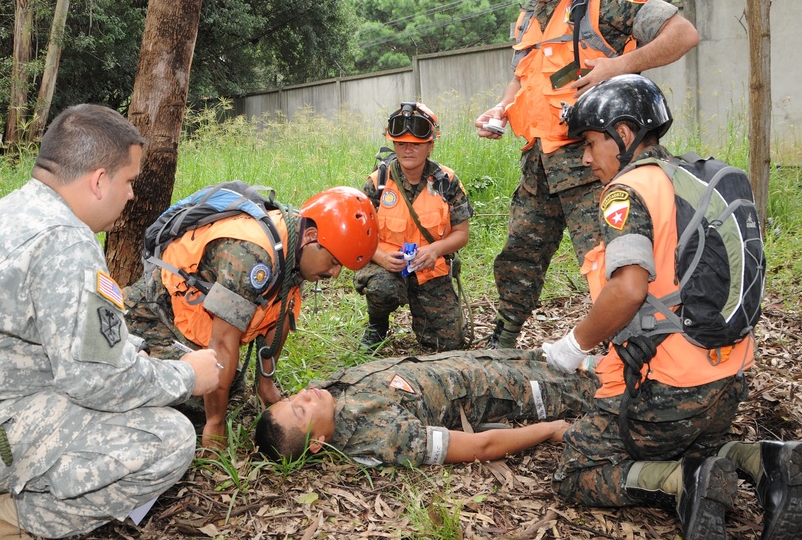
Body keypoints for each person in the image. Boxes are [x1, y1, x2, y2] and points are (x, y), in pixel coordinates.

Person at [0, 104, 222, 540]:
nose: (132, 195)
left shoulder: (24, 208)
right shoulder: (66, 242)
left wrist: (123, 351)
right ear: (100, 180)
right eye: (129, 181)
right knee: (168, 438)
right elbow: (101, 382)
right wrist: (186, 375)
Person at [544, 75, 802, 540]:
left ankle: (682, 484)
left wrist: (574, 345)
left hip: (667, 389)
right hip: (726, 382)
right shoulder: (692, 179)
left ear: (624, 134)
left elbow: (630, 289)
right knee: (699, 445)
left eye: (591, 143)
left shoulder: (625, 192)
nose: (586, 158)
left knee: (576, 469)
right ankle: (765, 460)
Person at [472, 0, 700, 349]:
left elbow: (683, 34)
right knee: (518, 259)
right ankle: (502, 341)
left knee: (611, 265)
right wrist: (500, 109)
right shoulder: (527, 16)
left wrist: (620, 66)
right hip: (539, 166)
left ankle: (632, 352)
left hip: (593, 164)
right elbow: (523, 79)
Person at [125, 186, 379, 448]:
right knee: (198, 398)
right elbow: (223, 344)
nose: (335, 273)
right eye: (335, 261)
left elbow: (281, 313)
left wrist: (265, 382)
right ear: (312, 236)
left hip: (188, 322)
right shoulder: (251, 256)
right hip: (149, 317)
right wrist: (216, 424)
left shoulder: (295, 243)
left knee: (228, 383)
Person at [255, 348, 597, 466]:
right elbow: (482, 446)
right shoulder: (385, 437)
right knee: (606, 382)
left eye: (291, 398)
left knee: (592, 362)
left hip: (489, 361)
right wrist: (549, 430)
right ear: (318, 443)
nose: (303, 394)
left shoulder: (326, 395)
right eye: (299, 409)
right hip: (515, 392)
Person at [355, 102, 473, 351]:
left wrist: (435, 250)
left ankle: (425, 315)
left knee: (447, 343)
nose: (408, 150)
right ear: (393, 144)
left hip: (431, 267)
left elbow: (462, 234)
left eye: (416, 145)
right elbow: (359, 236)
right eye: (401, 144)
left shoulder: (447, 182)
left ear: (430, 145)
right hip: (387, 267)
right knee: (382, 288)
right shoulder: (378, 183)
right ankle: (377, 324)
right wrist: (383, 258)